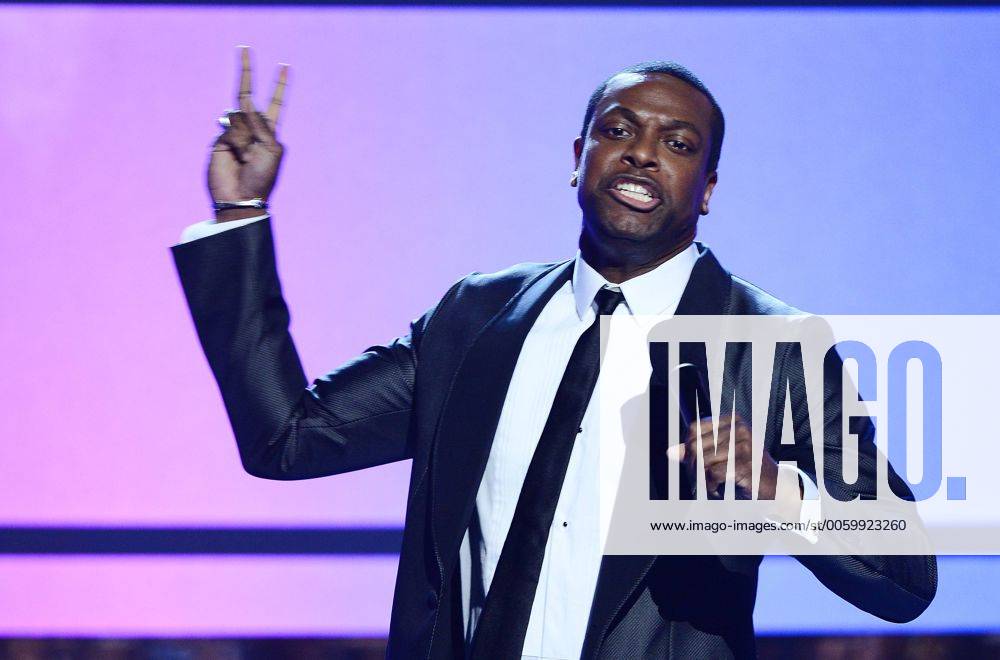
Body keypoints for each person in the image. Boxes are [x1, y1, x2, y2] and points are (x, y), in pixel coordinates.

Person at [173, 47, 936, 659]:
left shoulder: (772, 347)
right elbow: (289, 438)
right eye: (618, 130)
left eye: (677, 145)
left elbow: (905, 579)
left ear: (706, 188)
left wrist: (782, 493)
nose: (641, 155)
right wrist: (241, 212)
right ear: (578, 156)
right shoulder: (478, 316)